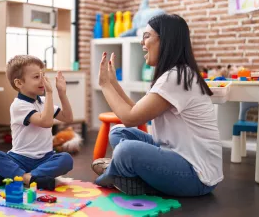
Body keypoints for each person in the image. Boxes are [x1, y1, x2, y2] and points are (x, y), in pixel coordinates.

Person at [91, 14, 223, 197]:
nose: (141, 42)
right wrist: (114, 84)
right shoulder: (174, 74)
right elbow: (135, 111)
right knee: (119, 132)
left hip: (196, 175)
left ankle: (118, 173)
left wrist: (104, 85)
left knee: (125, 150)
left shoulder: (176, 77)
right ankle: (129, 174)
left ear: (165, 40)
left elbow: (130, 117)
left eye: (147, 36)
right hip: (173, 152)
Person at [0, 55, 74, 190]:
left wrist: (62, 93)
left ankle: (18, 177)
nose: (42, 80)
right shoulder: (18, 105)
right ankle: (32, 179)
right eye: (36, 77)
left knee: (66, 159)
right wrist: (49, 93)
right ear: (19, 83)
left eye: (43, 76)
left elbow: (68, 117)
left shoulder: (43, 102)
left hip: (45, 158)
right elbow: (46, 121)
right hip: (20, 159)